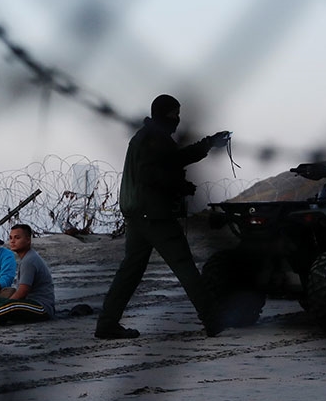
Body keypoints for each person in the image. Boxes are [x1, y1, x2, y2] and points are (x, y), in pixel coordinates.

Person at [95, 94, 231, 339]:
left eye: (178, 114)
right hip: (154, 213)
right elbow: (155, 174)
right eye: (173, 114)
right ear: (162, 114)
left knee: (131, 270)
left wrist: (207, 144)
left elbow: (172, 161)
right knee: (184, 266)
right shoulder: (153, 140)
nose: (177, 119)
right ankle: (213, 320)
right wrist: (180, 186)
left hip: (140, 214)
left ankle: (107, 323)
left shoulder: (150, 137)